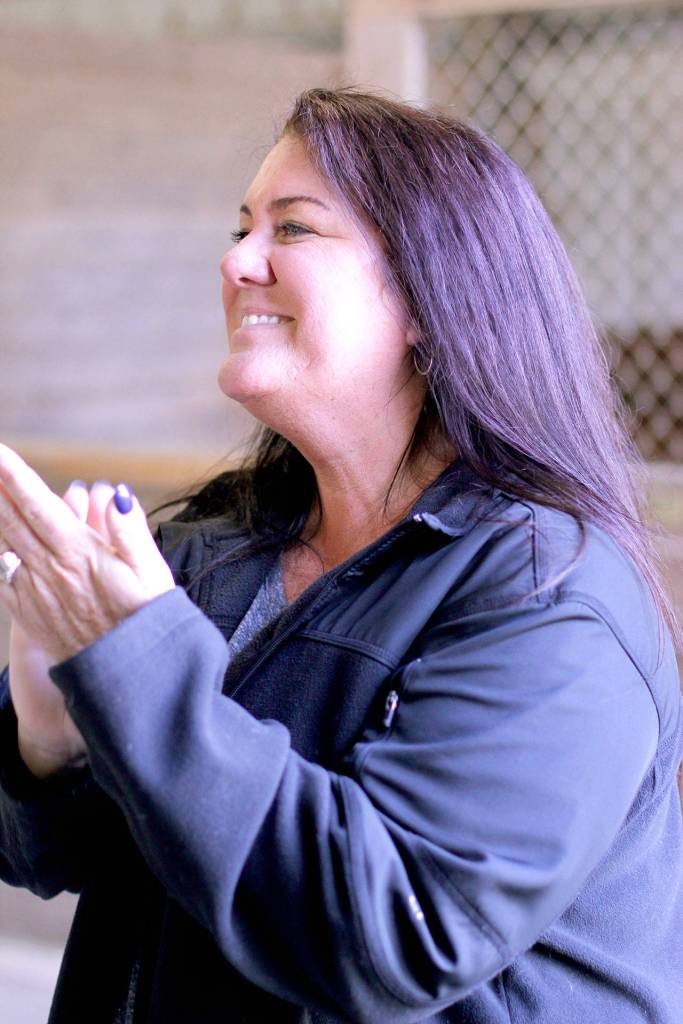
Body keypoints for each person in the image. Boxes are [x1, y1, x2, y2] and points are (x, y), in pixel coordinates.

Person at [0, 87, 681, 1024]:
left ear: (429, 297)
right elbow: (52, 855)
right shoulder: (213, 547)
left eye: (293, 228)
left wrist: (137, 656)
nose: (237, 261)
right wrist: (49, 731)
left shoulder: (548, 598)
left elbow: (397, 934)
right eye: (241, 227)